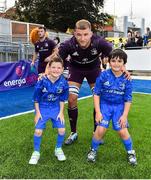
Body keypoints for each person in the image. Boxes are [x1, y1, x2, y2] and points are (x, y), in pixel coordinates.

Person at [56, 19, 112, 145]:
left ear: (91, 33)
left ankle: (95, 132)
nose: (82, 38)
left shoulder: (99, 42)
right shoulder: (68, 44)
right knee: (71, 99)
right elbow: (57, 59)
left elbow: (114, 55)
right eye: (79, 35)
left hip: (94, 70)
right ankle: (73, 132)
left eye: (85, 34)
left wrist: (123, 69)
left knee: (99, 99)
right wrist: (48, 72)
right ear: (74, 33)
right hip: (76, 70)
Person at [87, 49, 137, 166]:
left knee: (123, 131)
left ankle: (130, 152)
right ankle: (93, 150)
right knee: (100, 129)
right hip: (105, 106)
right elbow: (96, 94)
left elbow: (128, 99)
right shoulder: (103, 75)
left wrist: (124, 115)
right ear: (109, 62)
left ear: (124, 63)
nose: (116, 63)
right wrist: (98, 112)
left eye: (119, 61)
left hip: (119, 107)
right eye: (113, 61)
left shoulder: (127, 79)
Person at [29, 55, 69, 165]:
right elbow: (36, 99)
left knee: (62, 130)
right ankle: (36, 152)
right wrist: (37, 113)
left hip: (56, 108)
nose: (56, 70)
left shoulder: (64, 82)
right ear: (49, 68)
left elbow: (62, 99)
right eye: (54, 67)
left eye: (59, 68)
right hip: (43, 107)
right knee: (38, 131)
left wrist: (61, 113)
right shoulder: (42, 81)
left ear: (62, 69)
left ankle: (58, 149)